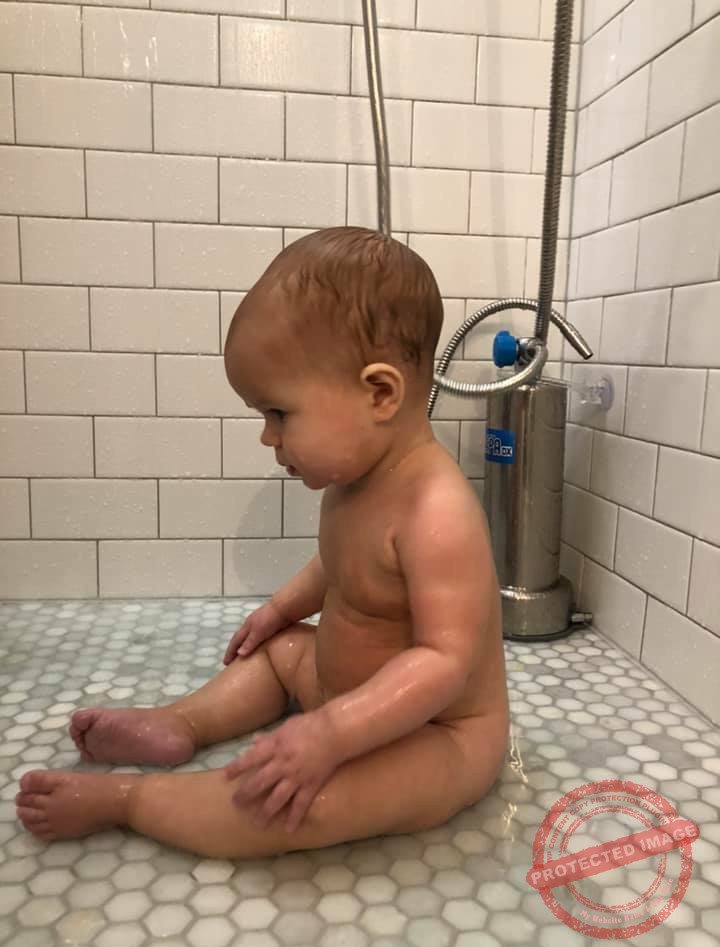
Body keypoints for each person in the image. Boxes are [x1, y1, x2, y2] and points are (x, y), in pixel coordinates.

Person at [15, 226, 510, 859]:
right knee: (278, 653)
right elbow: (340, 566)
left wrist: (332, 733)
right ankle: (181, 722)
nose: (268, 438)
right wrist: (281, 609)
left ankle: (129, 800)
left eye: (279, 414)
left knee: (289, 803)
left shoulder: (437, 512)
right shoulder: (357, 480)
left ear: (380, 393)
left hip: (438, 735)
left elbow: (444, 663)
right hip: (340, 695)